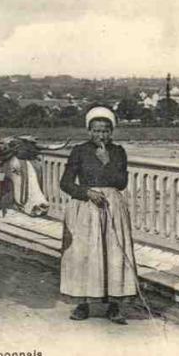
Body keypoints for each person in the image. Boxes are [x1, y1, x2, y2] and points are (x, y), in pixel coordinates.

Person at [59, 106, 137, 325]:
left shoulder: (118, 152)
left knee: (113, 254)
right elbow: (65, 183)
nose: (100, 135)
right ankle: (83, 304)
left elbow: (121, 183)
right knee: (84, 254)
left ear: (111, 132)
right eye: (95, 130)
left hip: (112, 206)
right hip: (85, 208)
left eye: (105, 131)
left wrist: (105, 161)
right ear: (89, 131)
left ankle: (114, 306)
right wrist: (86, 192)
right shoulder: (79, 151)